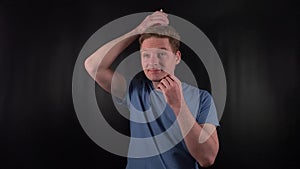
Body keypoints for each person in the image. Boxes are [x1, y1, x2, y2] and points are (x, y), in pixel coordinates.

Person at [84, 10, 220, 169]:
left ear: (177, 57)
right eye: (146, 55)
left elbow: (207, 158)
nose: (153, 62)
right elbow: (92, 66)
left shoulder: (202, 98)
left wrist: (178, 105)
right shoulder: (135, 91)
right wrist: (138, 30)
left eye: (161, 54)